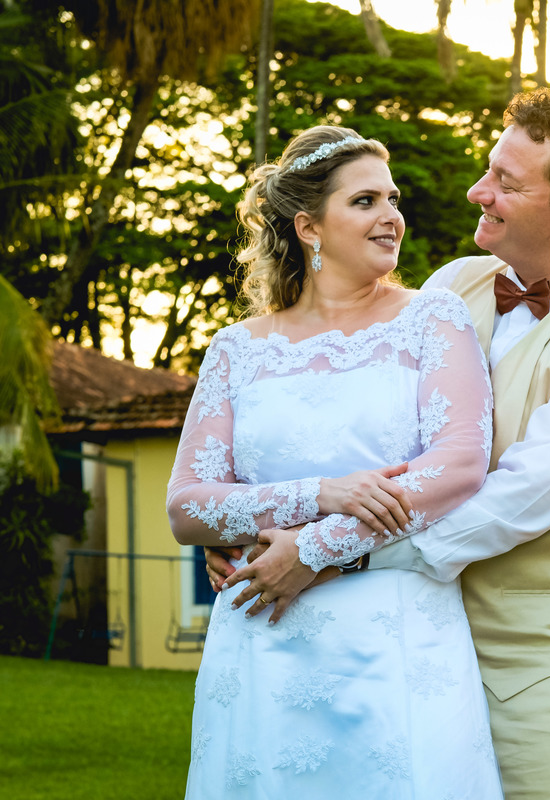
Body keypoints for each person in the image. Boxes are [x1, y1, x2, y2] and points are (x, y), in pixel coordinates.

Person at [215, 88, 550, 799]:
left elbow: (510, 502)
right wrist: (259, 525)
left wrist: (322, 554)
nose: (479, 191)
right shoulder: (454, 287)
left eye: (507, 183)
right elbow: (358, 424)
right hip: (422, 656)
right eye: (489, 169)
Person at [166, 125, 503, 798]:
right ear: (308, 226)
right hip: (263, 635)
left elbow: (460, 465)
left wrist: (315, 547)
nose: (391, 217)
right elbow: (188, 506)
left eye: (393, 198)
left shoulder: (432, 319)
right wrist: (322, 493)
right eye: (366, 201)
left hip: (394, 637)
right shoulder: (236, 349)